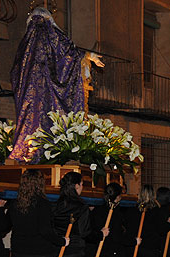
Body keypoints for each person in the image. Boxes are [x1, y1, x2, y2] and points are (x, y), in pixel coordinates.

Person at [9, 7, 103, 163]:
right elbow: (69, 54)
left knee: (32, 122)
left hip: (30, 98)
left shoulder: (25, 45)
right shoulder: (52, 38)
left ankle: (27, 150)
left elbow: (15, 73)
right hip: (41, 96)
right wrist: (87, 56)